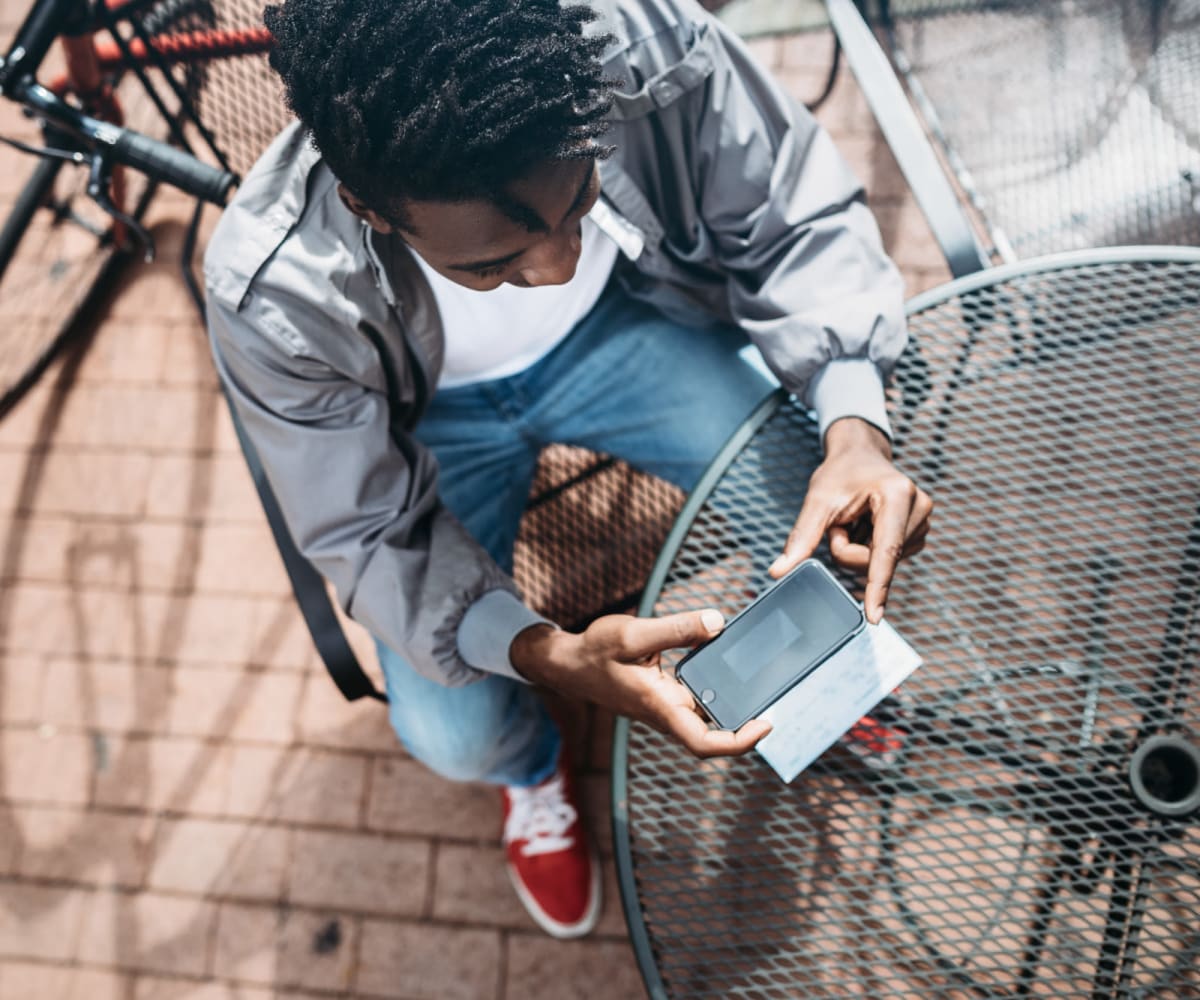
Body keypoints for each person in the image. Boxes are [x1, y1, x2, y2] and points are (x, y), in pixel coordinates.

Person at [204, 0, 933, 940]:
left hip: (628, 326)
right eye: (492, 262)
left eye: (580, 198)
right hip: (438, 424)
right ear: (369, 209)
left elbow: (786, 209)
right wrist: (548, 656)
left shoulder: (637, 41)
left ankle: (814, 675)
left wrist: (856, 430)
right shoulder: (271, 292)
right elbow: (366, 532)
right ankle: (530, 766)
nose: (554, 265)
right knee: (451, 734)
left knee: (820, 504)